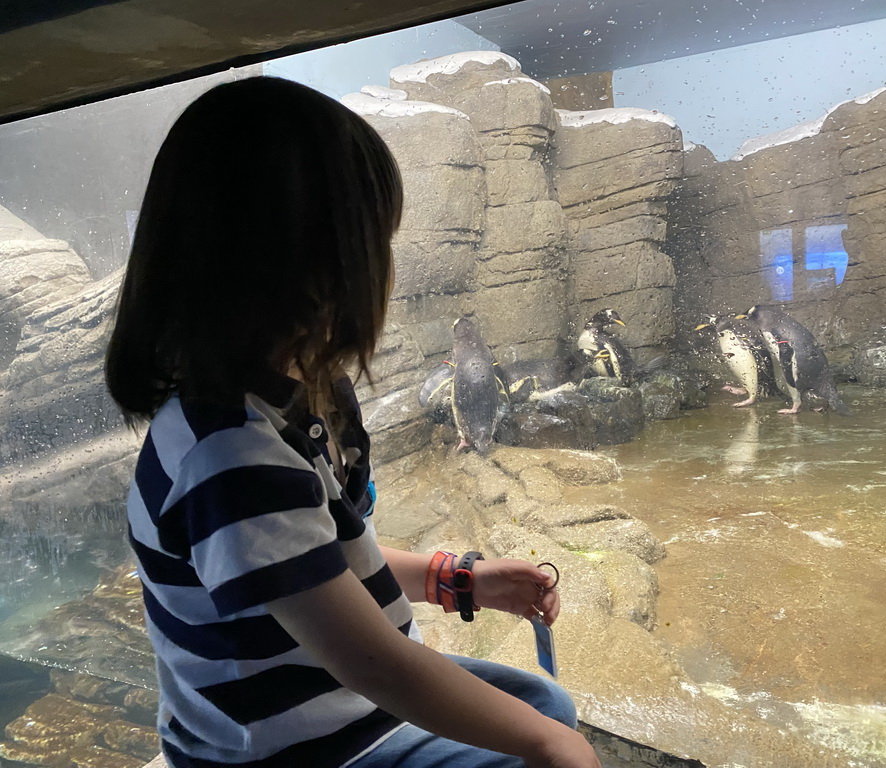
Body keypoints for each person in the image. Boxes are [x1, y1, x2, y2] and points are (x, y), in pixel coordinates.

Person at [104, 76, 600, 768]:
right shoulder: (228, 456)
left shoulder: (296, 402)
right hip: (291, 751)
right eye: (378, 242)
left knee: (545, 708)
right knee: (541, 736)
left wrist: (449, 577)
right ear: (319, 265)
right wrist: (547, 746)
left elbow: (322, 566)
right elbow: (377, 665)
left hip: (337, 711)